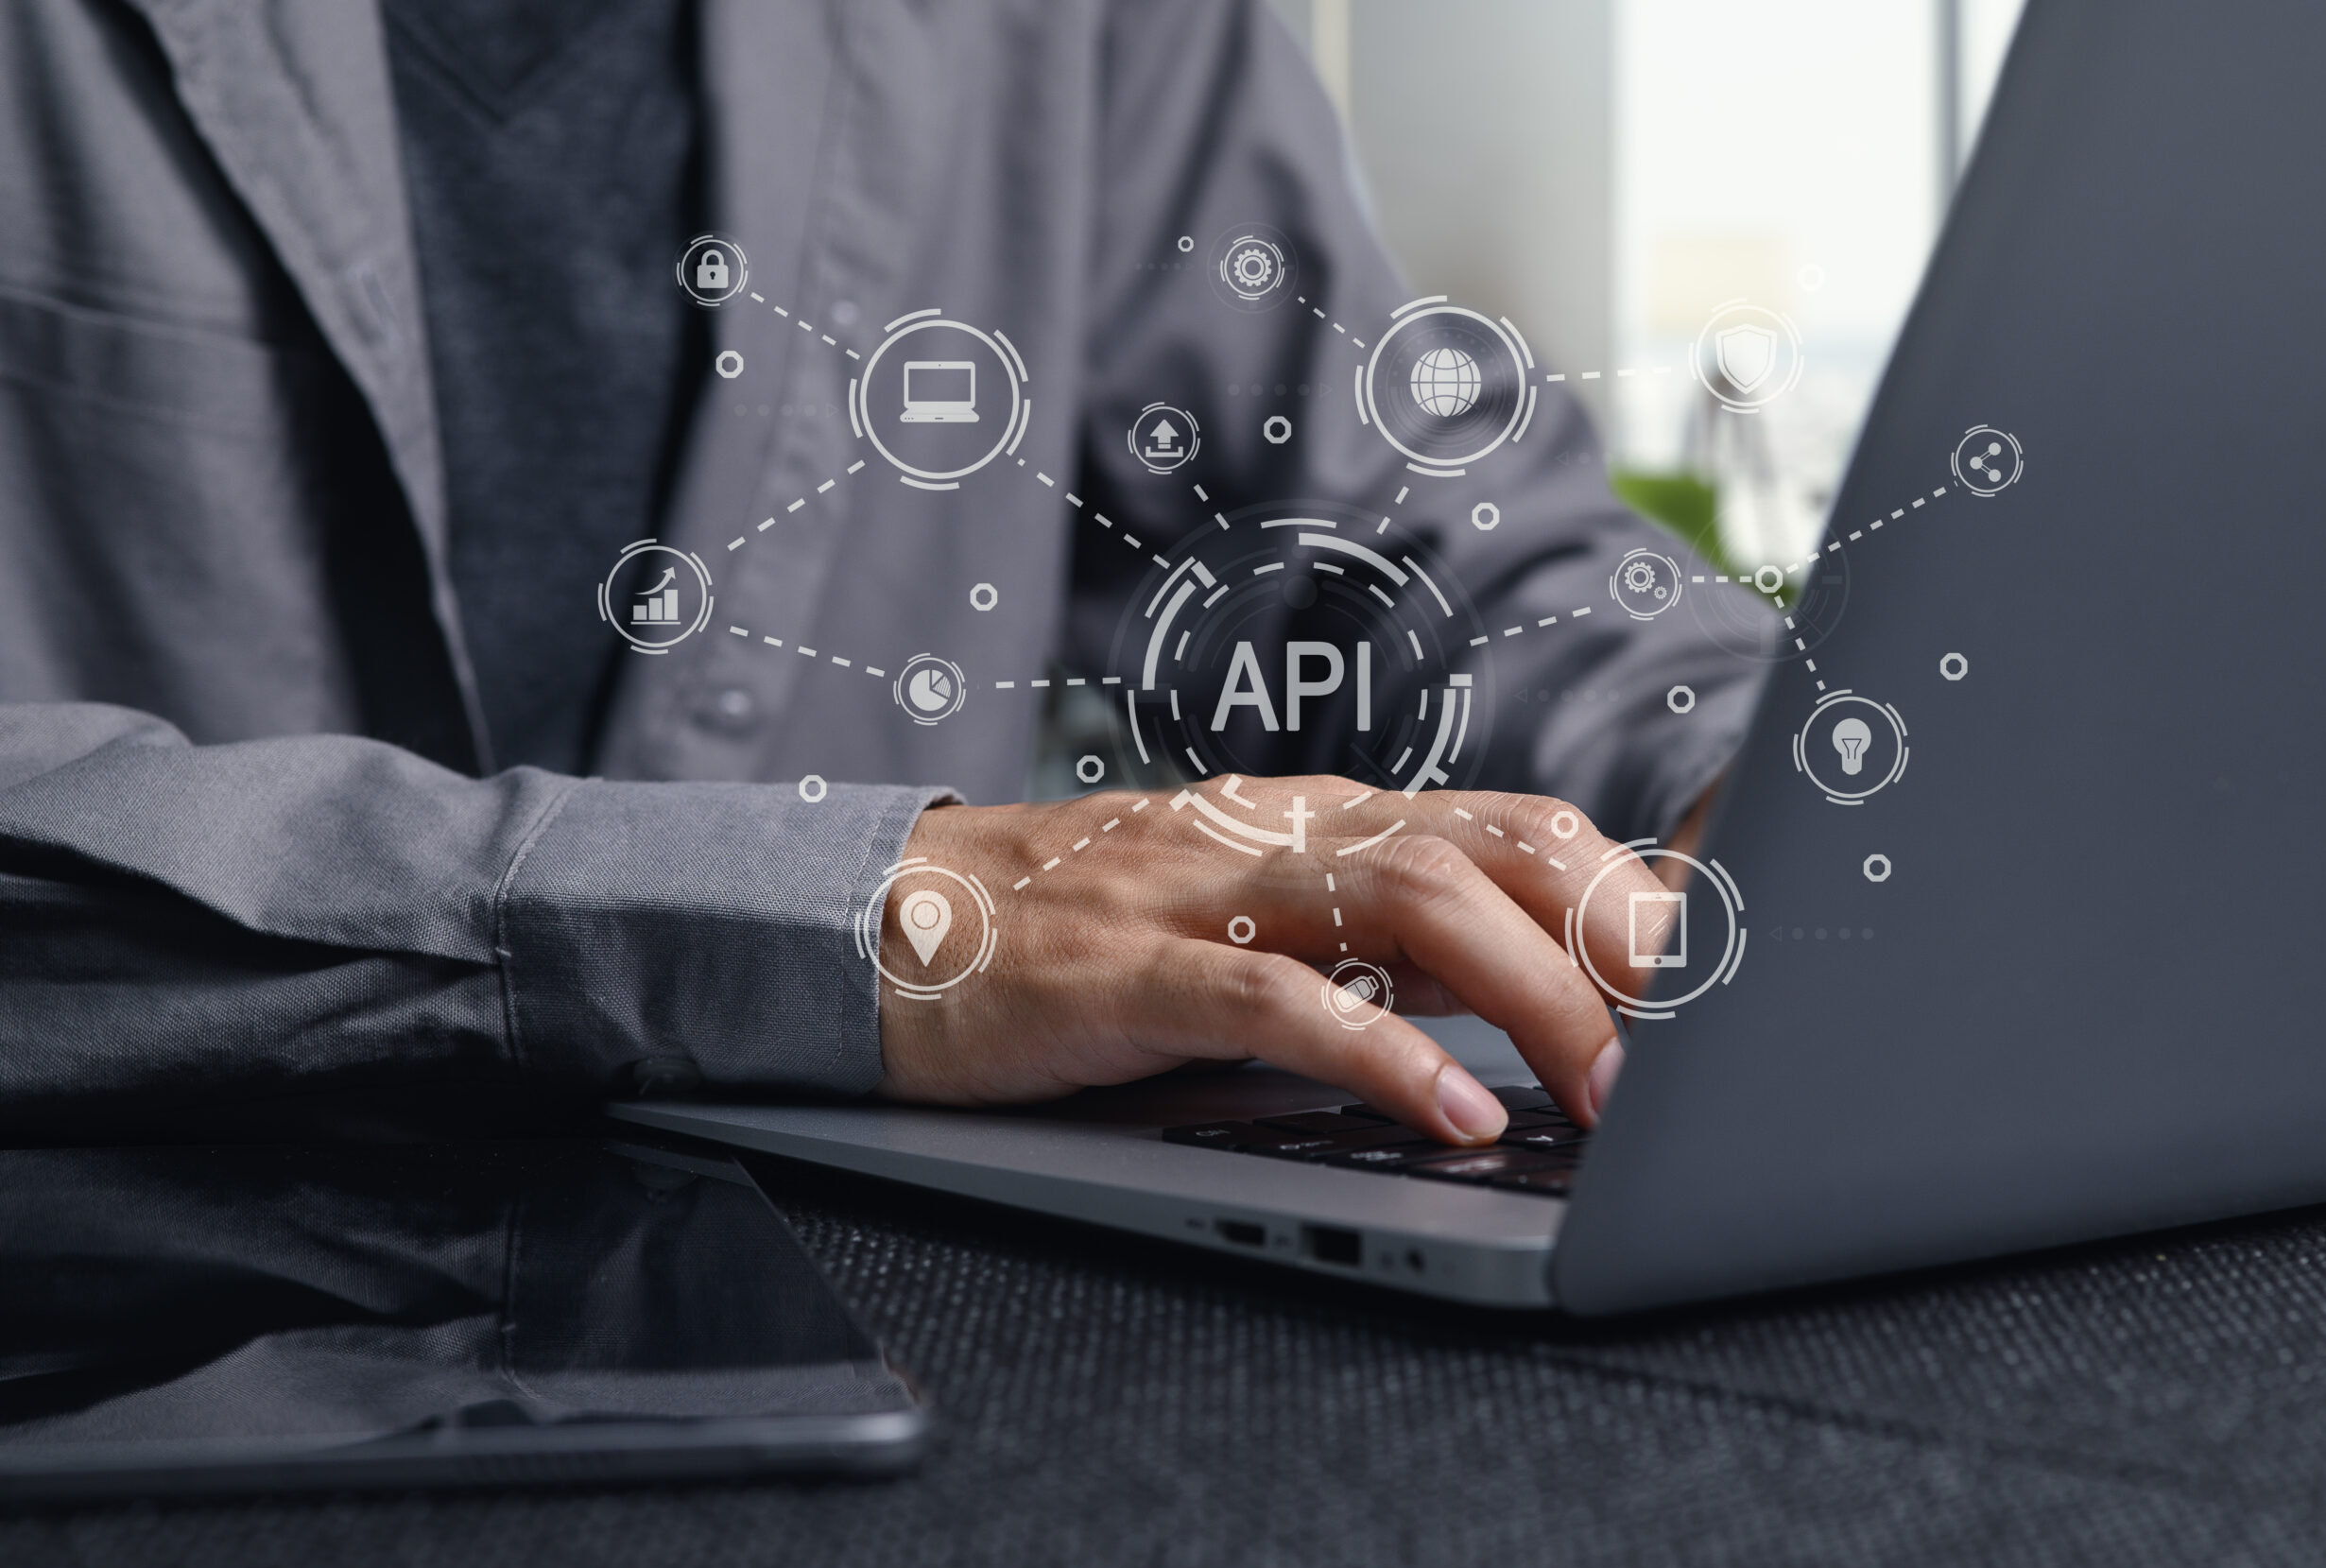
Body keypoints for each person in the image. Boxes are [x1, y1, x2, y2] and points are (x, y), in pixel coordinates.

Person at [0, 0, 1770, 1145]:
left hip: (908, 1320)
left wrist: (1741, 777)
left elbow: (1407, 538)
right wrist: (854, 911)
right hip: (132, 1339)